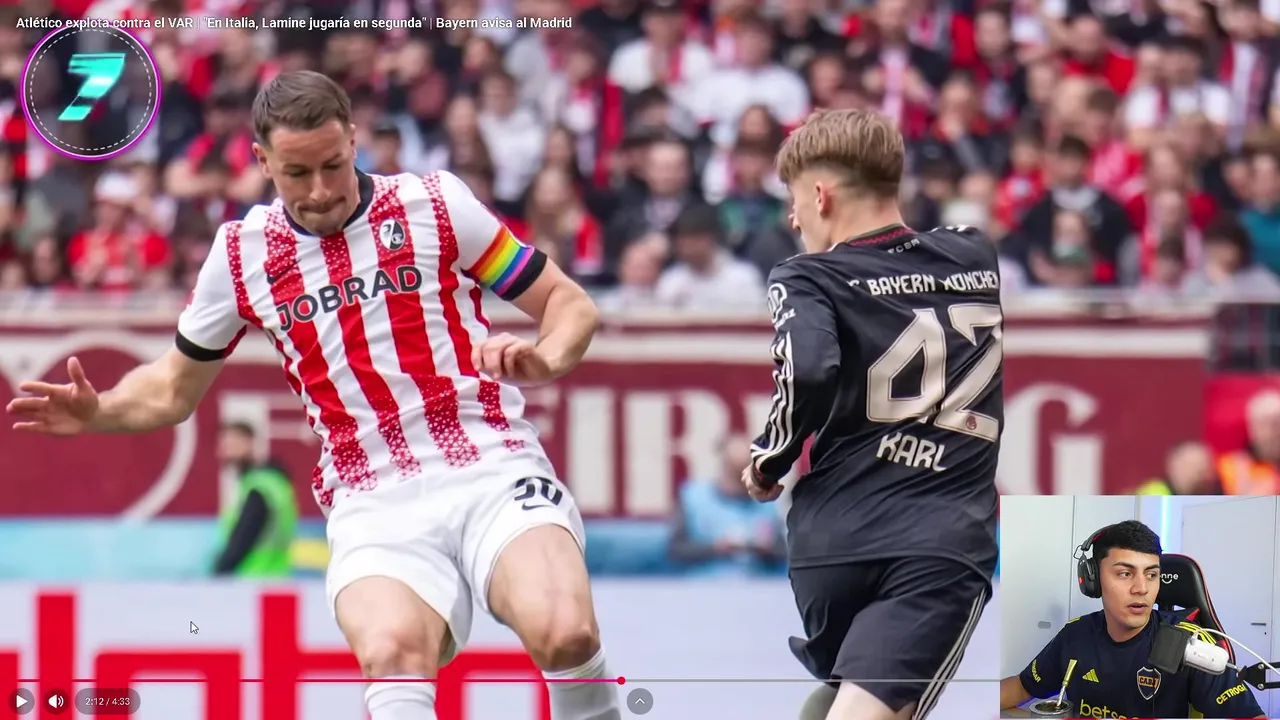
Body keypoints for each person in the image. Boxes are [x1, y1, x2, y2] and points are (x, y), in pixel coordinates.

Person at [6, 71, 620, 720]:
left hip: (489, 462)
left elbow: (566, 302)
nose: (321, 190)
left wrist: (546, 357)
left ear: (353, 139)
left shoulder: (435, 205)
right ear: (263, 161)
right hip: (373, 494)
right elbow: (171, 388)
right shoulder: (241, 255)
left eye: (333, 165)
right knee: (392, 651)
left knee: (566, 632)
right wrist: (100, 409)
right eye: (298, 174)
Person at [741, 108, 1000, 720]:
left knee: (835, 703)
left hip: (831, 542)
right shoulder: (973, 253)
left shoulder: (806, 275)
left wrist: (768, 458)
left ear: (820, 195)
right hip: (934, 545)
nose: (793, 218)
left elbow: (808, 369)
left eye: (793, 200)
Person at [998, 521, 1264, 718]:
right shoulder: (1074, 635)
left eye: (1151, 575)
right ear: (1093, 579)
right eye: (1125, 574)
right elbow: (1021, 687)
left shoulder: (1189, 644)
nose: (1142, 589)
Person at [212, 421, 300, 577]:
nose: (223, 450)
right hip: (278, 575)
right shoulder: (275, 482)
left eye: (231, 442)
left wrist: (220, 570)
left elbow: (243, 538)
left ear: (249, 442)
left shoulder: (259, 487)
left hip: (253, 578)